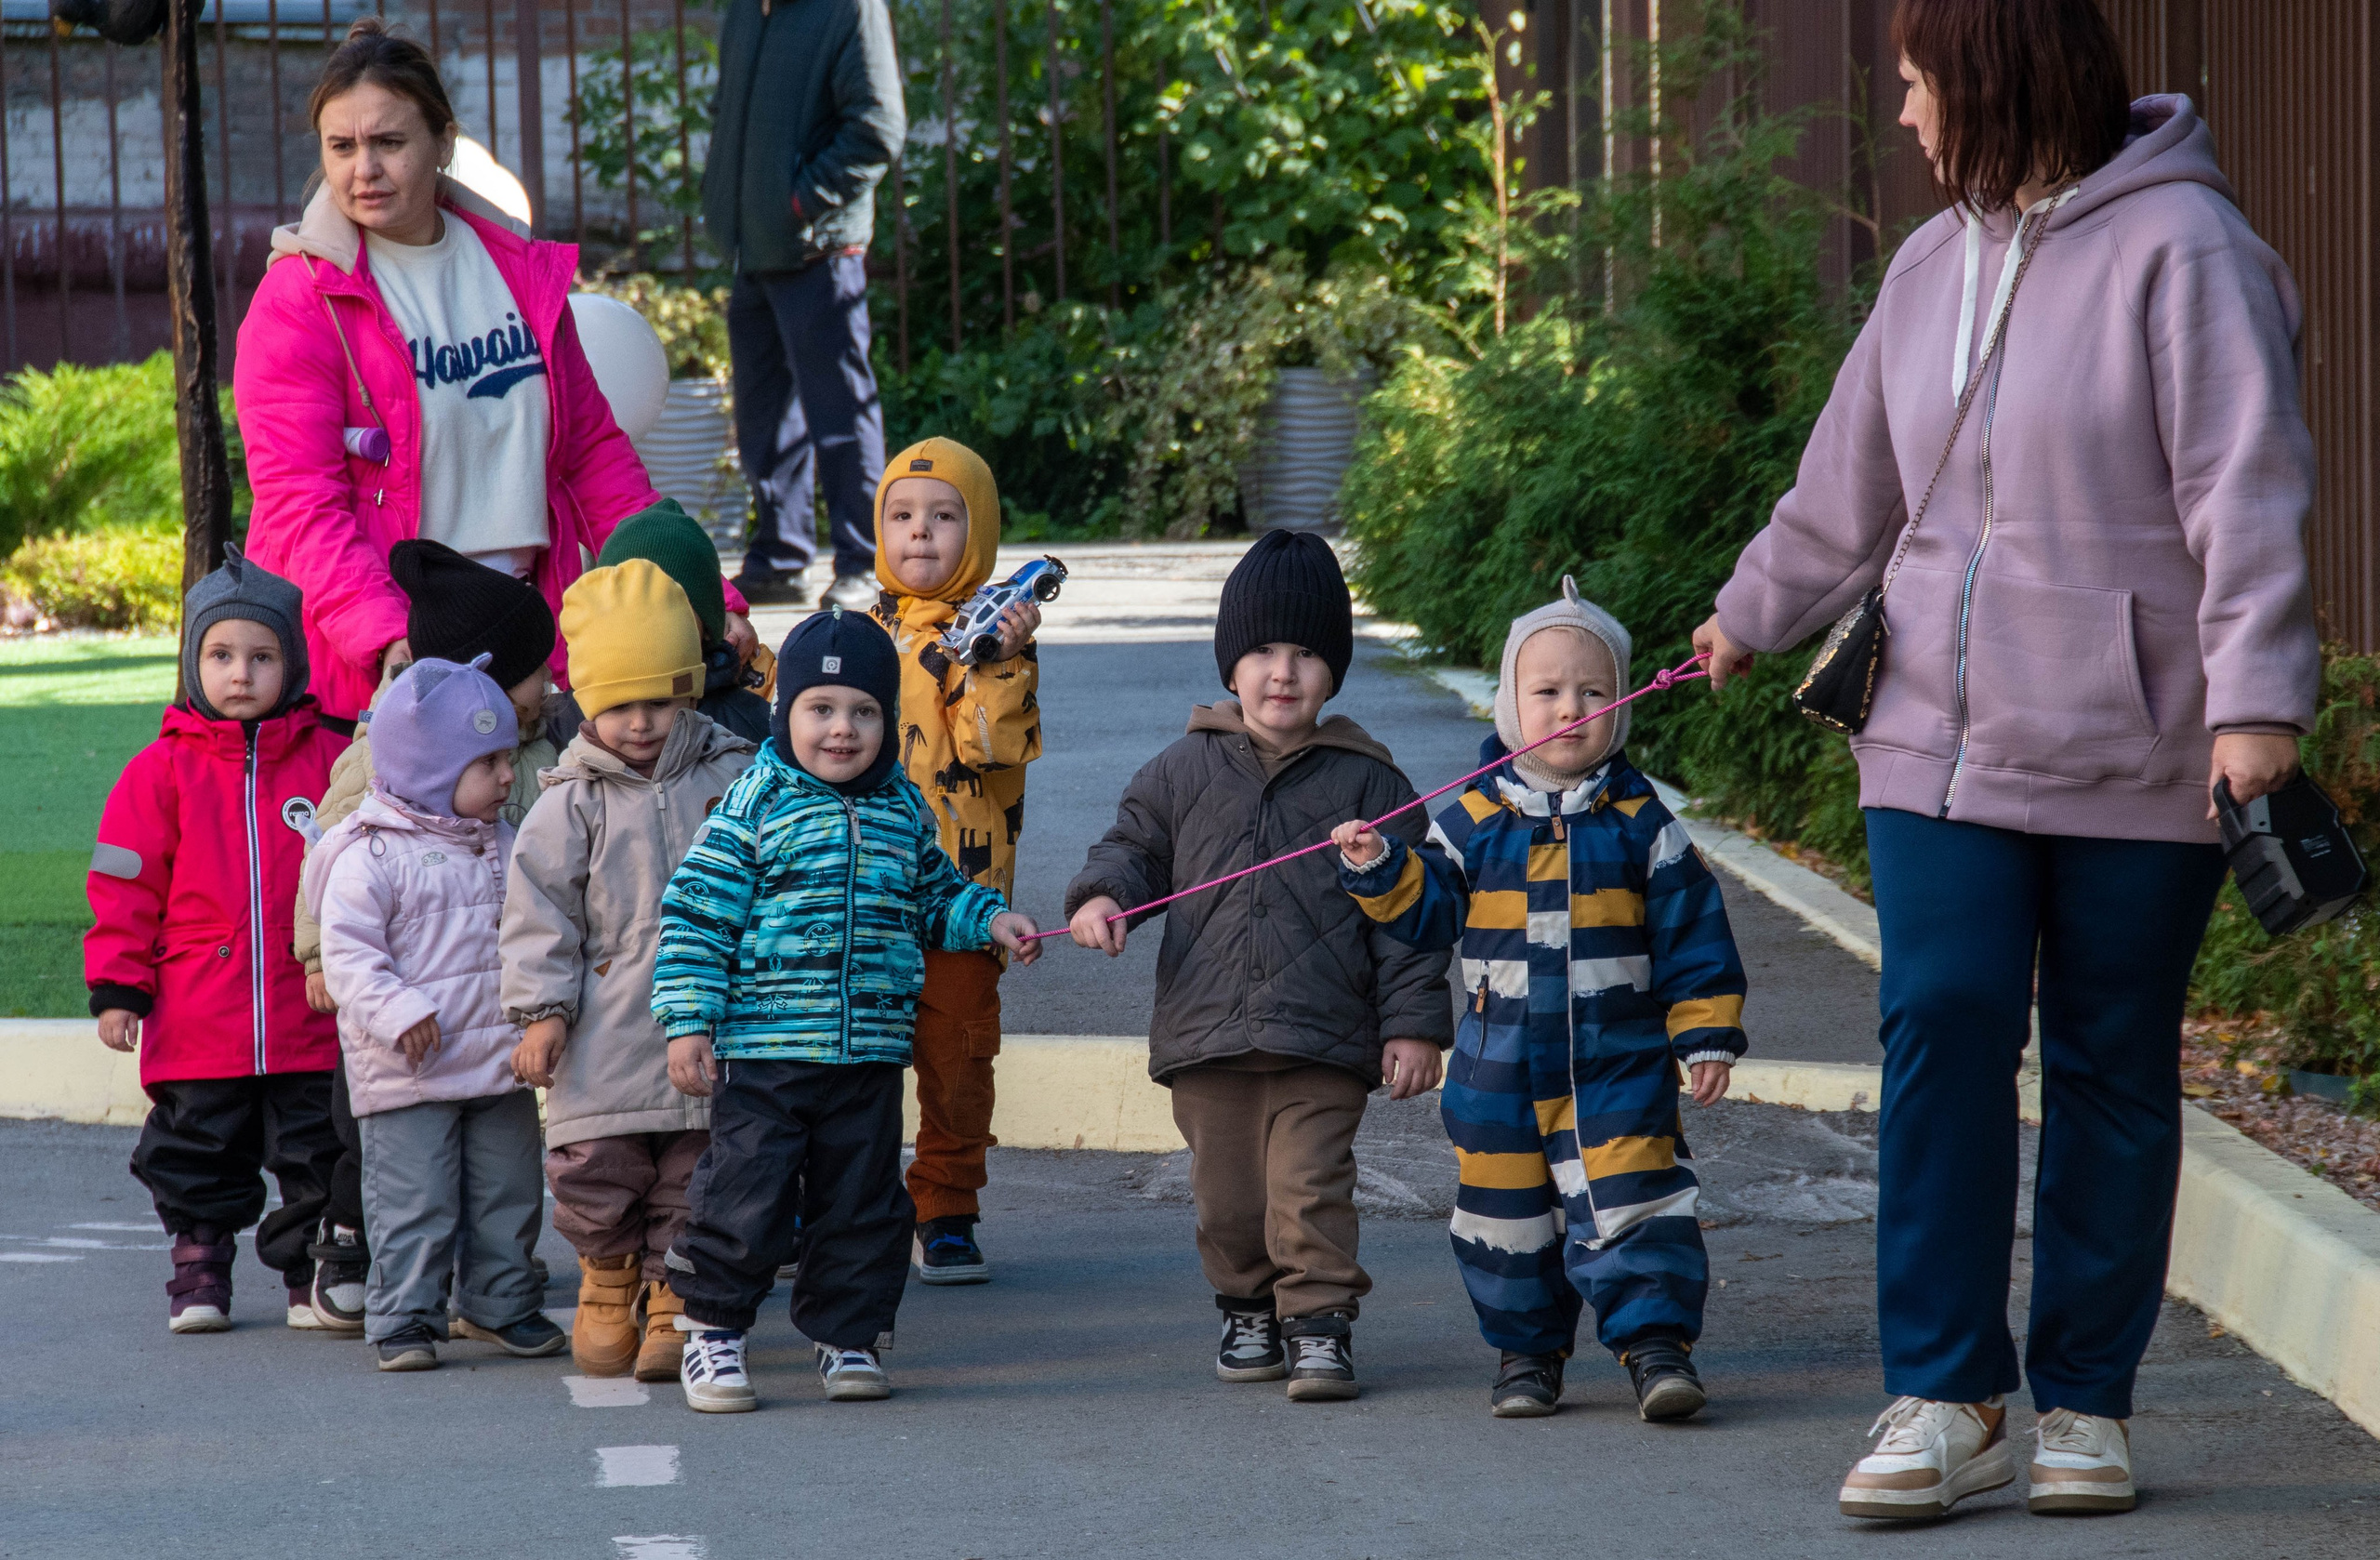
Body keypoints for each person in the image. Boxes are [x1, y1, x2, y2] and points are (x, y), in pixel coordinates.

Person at [1689, 0, 2319, 1520]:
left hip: (2139, 737)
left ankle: (2086, 1399)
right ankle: (1946, 1390)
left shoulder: (2190, 253)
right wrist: (1744, 614)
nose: (1903, 118)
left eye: (1914, 87)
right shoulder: (1926, 267)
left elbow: (2249, 497)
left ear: (1992, 78)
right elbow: (1846, 484)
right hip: (1933, 742)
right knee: (1945, 1019)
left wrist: (2259, 701)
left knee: (2110, 1060)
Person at [1335, 579, 1745, 1422]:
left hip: (1617, 1061)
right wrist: (1381, 870)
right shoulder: (1476, 815)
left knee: (1637, 1199)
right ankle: (1527, 1353)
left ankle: (1657, 1347)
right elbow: (1430, 910)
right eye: (1548, 691)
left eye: (1594, 692)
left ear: (1622, 705)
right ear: (1512, 706)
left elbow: (1693, 933)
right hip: (1499, 1069)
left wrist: (1705, 1031)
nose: (1571, 709)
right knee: (1504, 1216)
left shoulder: (1641, 820)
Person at [1065, 531, 1451, 1403]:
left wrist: (1417, 1026)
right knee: (1229, 1200)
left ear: (1335, 671)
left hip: (1324, 1036)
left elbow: (1410, 926)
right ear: (1230, 666)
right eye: (1264, 652)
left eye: (1308, 653)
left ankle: (1317, 1324)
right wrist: (1100, 897)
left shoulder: (1373, 787)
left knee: (1308, 1188)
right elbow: (1131, 849)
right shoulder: (1179, 768)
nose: (1284, 672)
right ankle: (1247, 1306)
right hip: (1208, 1037)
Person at [651, 609, 1042, 1413]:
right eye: (820, 709)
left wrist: (989, 918)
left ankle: (849, 1336)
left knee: (862, 1202)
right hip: (767, 1054)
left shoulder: (903, 809)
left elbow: (935, 896)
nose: (842, 730)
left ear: (888, 723)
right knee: (744, 1195)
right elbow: (696, 915)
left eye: (864, 712)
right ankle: (715, 1333)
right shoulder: (753, 806)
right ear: (783, 714)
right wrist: (689, 1018)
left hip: (867, 1053)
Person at [236, 18, 661, 730]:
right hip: (388, 668)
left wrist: (707, 601)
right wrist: (393, 641)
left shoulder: (521, 273)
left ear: (442, 144)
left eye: (389, 143)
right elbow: (300, 505)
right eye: (341, 147)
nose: (362, 169)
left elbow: (596, 461)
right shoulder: (298, 299)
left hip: (529, 649)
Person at [502, 561, 759, 1380]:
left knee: (694, 1171)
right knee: (596, 1169)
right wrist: (543, 1011)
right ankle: (609, 1279)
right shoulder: (567, 802)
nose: (640, 723)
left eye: (659, 700)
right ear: (586, 704)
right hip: (604, 1026)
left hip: (711, 1022)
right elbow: (540, 913)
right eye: (618, 706)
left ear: (688, 689)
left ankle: (671, 1294)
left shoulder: (735, 775)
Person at [86, 549, 349, 1334]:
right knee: (196, 1147)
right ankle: (199, 1266)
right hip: (199, 1016)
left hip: (308, 1014)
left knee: (318, 1149)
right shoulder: (158, 771)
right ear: (194, 664)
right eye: (221, 655)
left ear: (292, 662)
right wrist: (119, 989)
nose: (241, 673)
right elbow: (125, 887)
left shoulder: (332, 760)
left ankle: (310, 1273)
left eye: (262, 656)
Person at [308, 655, 567, 1372]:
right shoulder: (370, 854)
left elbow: (538, 931)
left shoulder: (504, 843)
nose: (508, 776)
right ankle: (404, 1317)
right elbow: (349, 954)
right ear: (427, 768)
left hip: (497, 1062)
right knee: (412, 1202)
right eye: (488, 763)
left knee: (508, 1196)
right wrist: (397, 1010)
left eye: (507, 758)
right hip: (410, 1067)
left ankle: (499, 1303)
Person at [865, 439, 1041, 1284]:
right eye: (902, 516)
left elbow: (992, 742)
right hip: (863, 892)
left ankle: (946, 1204)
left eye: (943, 518)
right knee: (849, 1056)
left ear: (979, 533)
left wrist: (1000, 659)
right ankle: (840, 1203)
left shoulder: (997, 640)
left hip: (966, 897)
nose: (921, 534)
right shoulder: (859, 634)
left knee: (958, 1058)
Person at [704, 0, 906, 611]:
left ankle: (864, 562)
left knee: (840, 412)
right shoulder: (745, 10)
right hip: (755, 245)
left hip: (819, 246)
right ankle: (780, 558)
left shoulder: (846, 8)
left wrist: (800, 200)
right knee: (765, 417)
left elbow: (877, 127)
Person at [542, 498, 775, 747]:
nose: (640, 723)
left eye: (673, 607)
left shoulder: (748, 722)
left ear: (707, 628)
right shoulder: (563, 722)